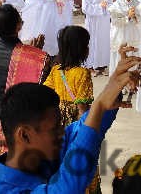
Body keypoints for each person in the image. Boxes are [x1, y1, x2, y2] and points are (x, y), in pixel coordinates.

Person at [0, 43, 141, 193]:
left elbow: (86, 128)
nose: (62, 133)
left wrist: (115, 86)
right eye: (54, 129)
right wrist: (99, 105)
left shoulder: (45, 154)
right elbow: (67, 189)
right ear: (24, 135)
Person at [0, 5, 49, 185]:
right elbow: (38, 88)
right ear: (19, 26)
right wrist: (34, 54)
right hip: (22, 123)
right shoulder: (37, 57)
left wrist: (30, 52)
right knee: (25, 176)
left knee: (0, 172)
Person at [42, 26, 102, 193]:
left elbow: (45, 93)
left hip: (57, 125)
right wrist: (88, 132)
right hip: (75, 124)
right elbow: (83, 107)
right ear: (81, 49)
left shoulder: (55, 70)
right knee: (81, 163)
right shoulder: (82, 73)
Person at [82, 0, 112, 76]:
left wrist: (106, 7)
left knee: (103, 42)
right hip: (93, 22)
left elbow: (111, 5)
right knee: (93, 42)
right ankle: (91, 66)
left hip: (104, 22)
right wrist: (100, 7)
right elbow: (85, 8)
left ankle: (102, 65)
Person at [108, 0, 140, 75]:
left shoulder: (137, 3)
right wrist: (128, 16)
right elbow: (115, 22)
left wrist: (136, 17)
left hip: (133, 34)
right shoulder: (115, 5)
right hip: (121, 36)